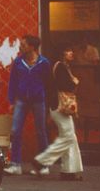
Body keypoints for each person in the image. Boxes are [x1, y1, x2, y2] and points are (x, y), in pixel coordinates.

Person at [30, 45, 83, 180]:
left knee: (70, 136)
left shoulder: (62, 66)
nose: (71, 52)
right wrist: (75, 82)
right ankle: (42, 160)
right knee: (68, 136)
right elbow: (64, 85)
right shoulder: (60, 67)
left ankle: (69, 170)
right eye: (68, 50)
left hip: (58, 105)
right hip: (59, 105)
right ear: (62, 53)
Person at [5, 34, 51, 175]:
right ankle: (15, 164)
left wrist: (48, 104)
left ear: (32, 47)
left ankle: (43, 165)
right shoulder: (18, 62)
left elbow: (48, 84)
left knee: (41, 131)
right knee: (15, 131)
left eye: (23, 44)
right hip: (21, 100)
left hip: (38, 100)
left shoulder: (44, 63)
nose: (20, 46)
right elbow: (12, 82)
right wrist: (11, 101)